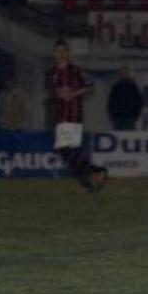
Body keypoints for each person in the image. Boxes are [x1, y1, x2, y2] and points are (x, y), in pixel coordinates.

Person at [49, 40, 108, 193]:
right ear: (54, 54)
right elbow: (56, 92)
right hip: (61, 114)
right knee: (69, 152)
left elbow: (90, 85)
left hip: (72, 114)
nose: (60, 54)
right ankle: (89, 180)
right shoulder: (54, 72)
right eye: (58, 51)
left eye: (63, 51)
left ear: (68, 53)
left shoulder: (75, 70)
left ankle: (94, 173)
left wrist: (74, 93)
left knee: (65, 150)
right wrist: (59, 94)